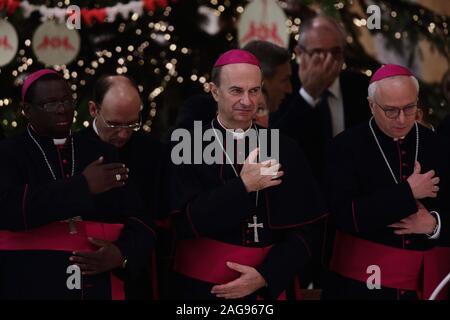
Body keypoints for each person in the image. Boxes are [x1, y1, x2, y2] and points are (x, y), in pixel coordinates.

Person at [169, 49, 327, 300]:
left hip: (266, 290)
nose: (247, 101)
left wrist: (266, 274)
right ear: (214, 91)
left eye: (254, 91)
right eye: (236, 91)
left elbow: (308, 230)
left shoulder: (285, 148)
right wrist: (242, 186)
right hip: (202, 291)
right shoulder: (187, 145)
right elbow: (183, 224)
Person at [0, 69, 155, 299]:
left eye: (66, 100)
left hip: (96, 287)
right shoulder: (9, 153)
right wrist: (83, 186)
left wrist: (121, 254)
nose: (62, 109)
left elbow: (140, 219)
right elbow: (8, 210)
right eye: (50, 103)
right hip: (28, 282)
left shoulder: (102, 152)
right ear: (27, 110)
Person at [323, 64, 450, 300]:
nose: (402, 119)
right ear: (372, 105)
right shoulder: (345, 147)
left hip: (422, 287)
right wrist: (408, 192)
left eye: (409, 108)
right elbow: (344, 216)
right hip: (357, 287)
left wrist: (434, 225)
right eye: (391, 110)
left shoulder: (440, 146)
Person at [77, 74, 167, 299]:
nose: (124, 134)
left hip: (136, 274)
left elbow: (158, 215)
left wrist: (123, 252)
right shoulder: (73, 148)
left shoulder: (154, 152)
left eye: (132, 124)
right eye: (115, 124)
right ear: (93, 109)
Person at [274, 15, 371, 182]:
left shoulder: (361, 87)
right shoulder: (284, 85)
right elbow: (276, 144)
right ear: (299, 53)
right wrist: (309, 94)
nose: (328, 61)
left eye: (335, 52)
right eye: (318, 53)